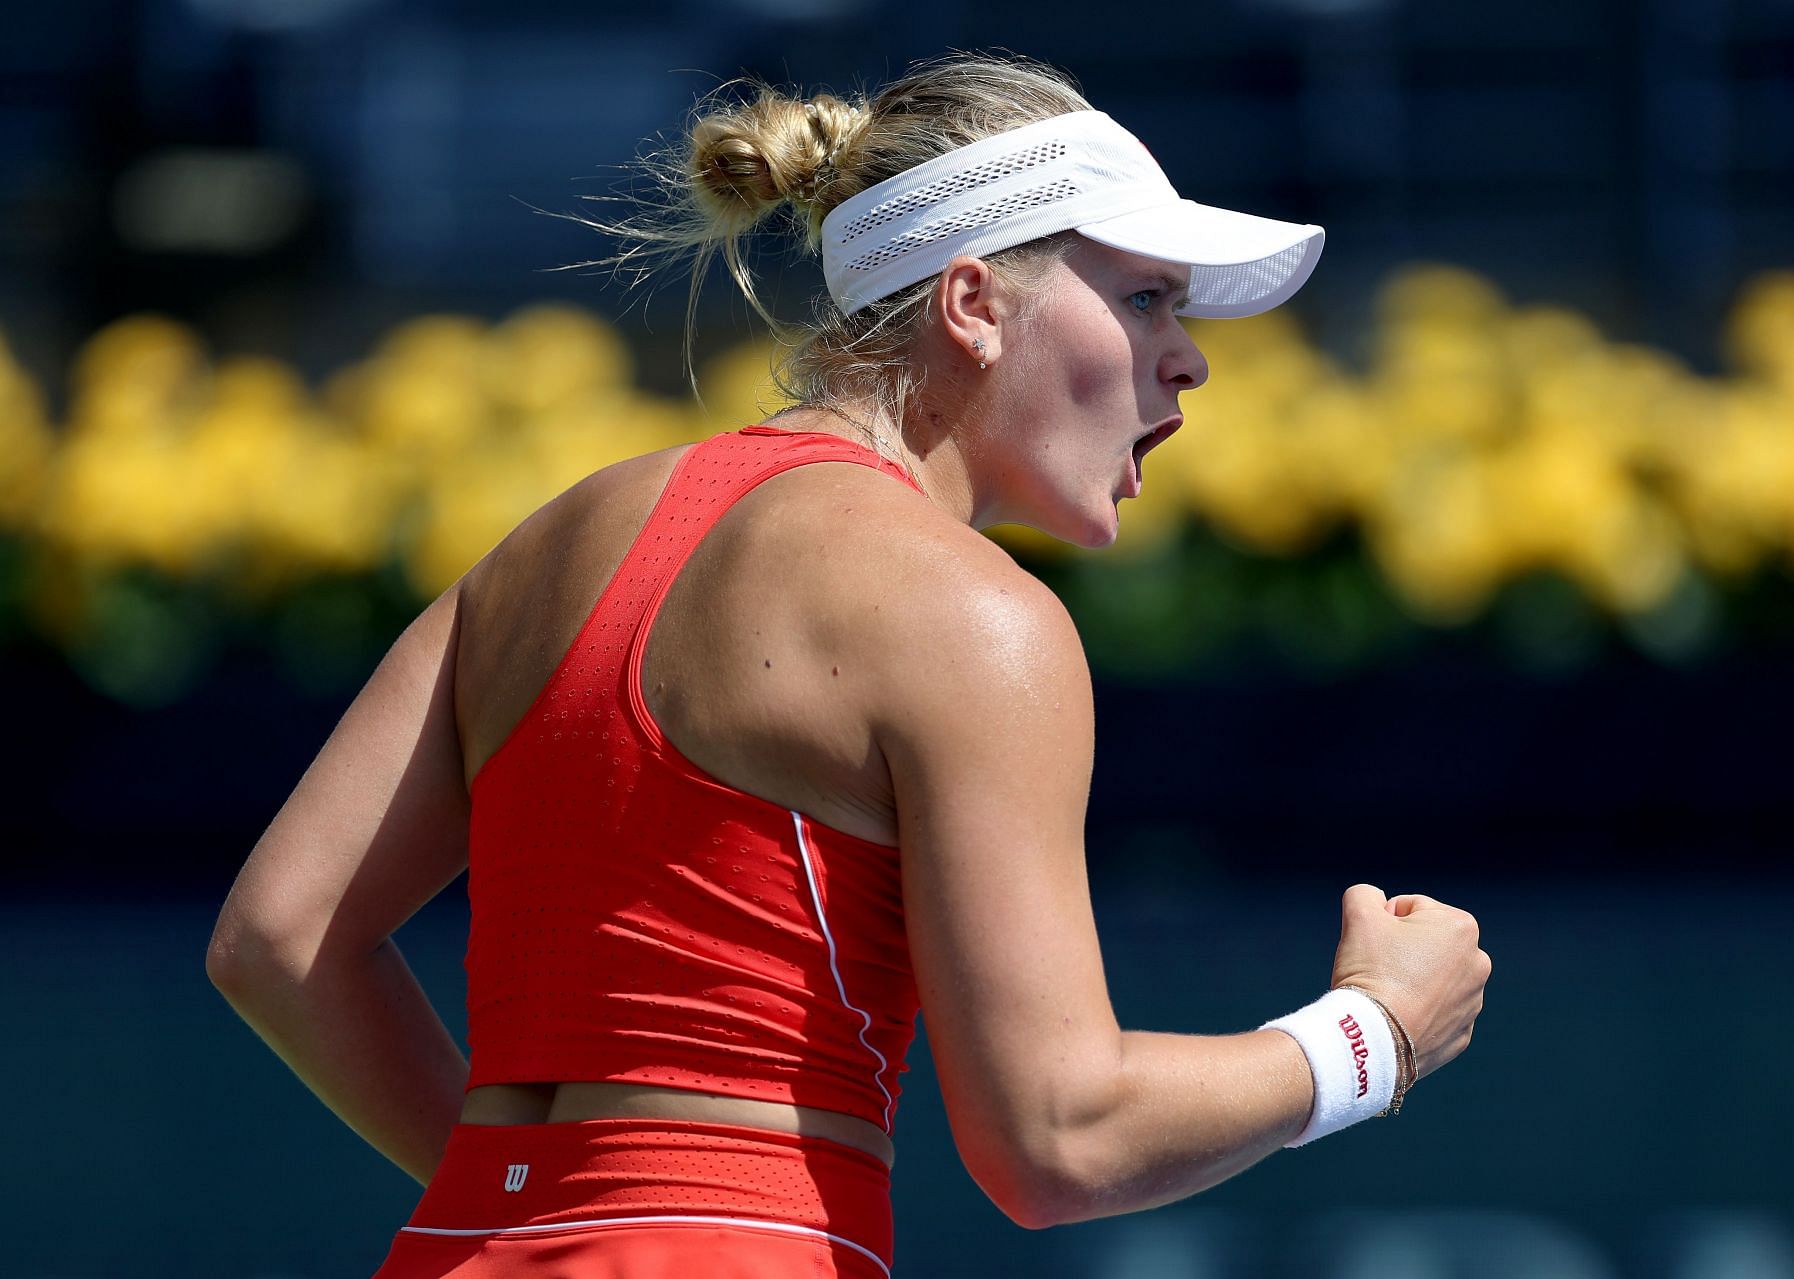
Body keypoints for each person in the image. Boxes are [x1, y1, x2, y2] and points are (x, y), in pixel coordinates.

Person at [207, 52, 1491, 1278]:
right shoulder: (976, 616)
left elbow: (278, 937)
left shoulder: (544, 546)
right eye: (1145, 296)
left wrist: (552, 1207)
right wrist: (1371, 1035)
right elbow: (1060, 1136)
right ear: (973, 304)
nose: (1190, 355)